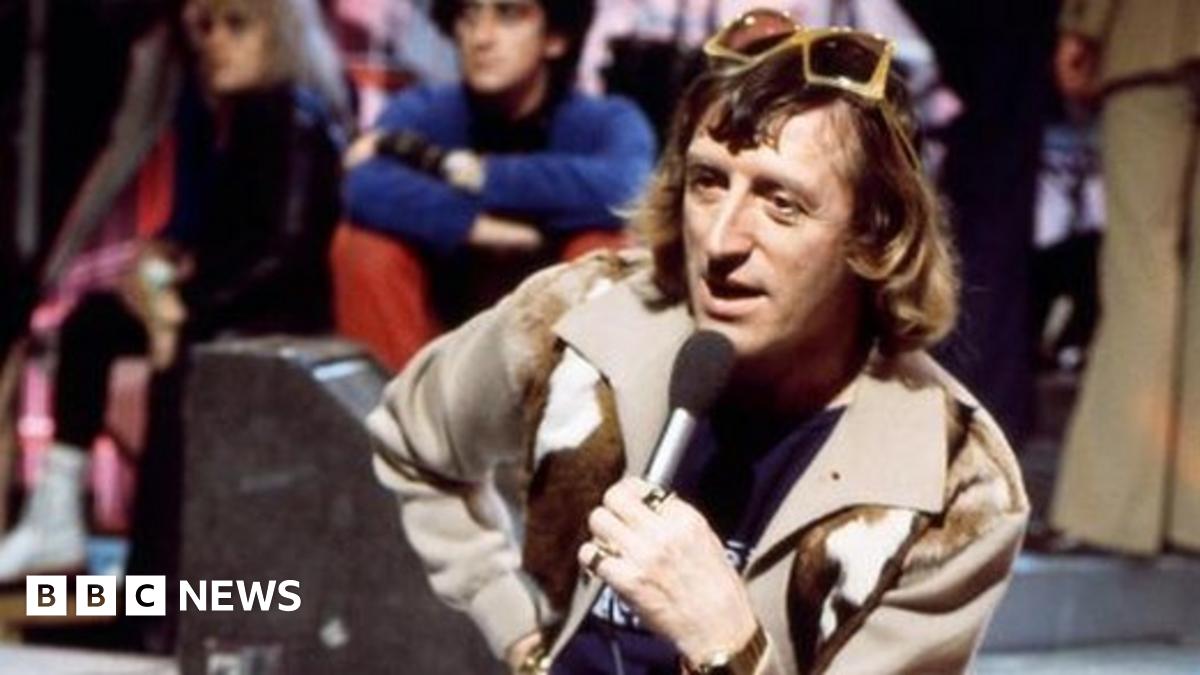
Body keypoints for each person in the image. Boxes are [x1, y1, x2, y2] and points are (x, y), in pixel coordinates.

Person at [369, 9, 1028, 674]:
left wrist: (728, 642)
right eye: (708, 183)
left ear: (873, 236)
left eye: (782, 203)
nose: (721, 240)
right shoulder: (582, 317)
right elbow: (412, 439)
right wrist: (514, 629)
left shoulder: (952, 486)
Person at [0, 0, 348, 586]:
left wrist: (182, 307)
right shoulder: (235, 118)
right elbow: (224, 236)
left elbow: (281, 254)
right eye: (205, 28)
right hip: (216, 309)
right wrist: (168, 262)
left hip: (259, 325)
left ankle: (161, 577)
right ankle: (60, 517)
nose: (215, 43)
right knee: (93, 322)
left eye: (236, 26)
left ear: (279, 37)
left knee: (174, 364)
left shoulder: (290, 117)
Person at [331, 0, 656, 372]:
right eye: (469, 15)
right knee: (364, 244)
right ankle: (389, 401)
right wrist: (471, 225)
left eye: (508, 14)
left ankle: (573, 402)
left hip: (547, 338)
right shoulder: (425, 108)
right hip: (434, 329)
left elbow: (626, 187)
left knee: (605, 247)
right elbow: (363, 184)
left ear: (555, 37)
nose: (481, 38)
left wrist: (466, 171)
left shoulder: (606, 120)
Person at [1049, 0, 1200, 555]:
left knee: (1142, 271)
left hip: (1154, 37)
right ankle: (1192, 514)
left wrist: (1083, 24)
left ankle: (1112, 512)